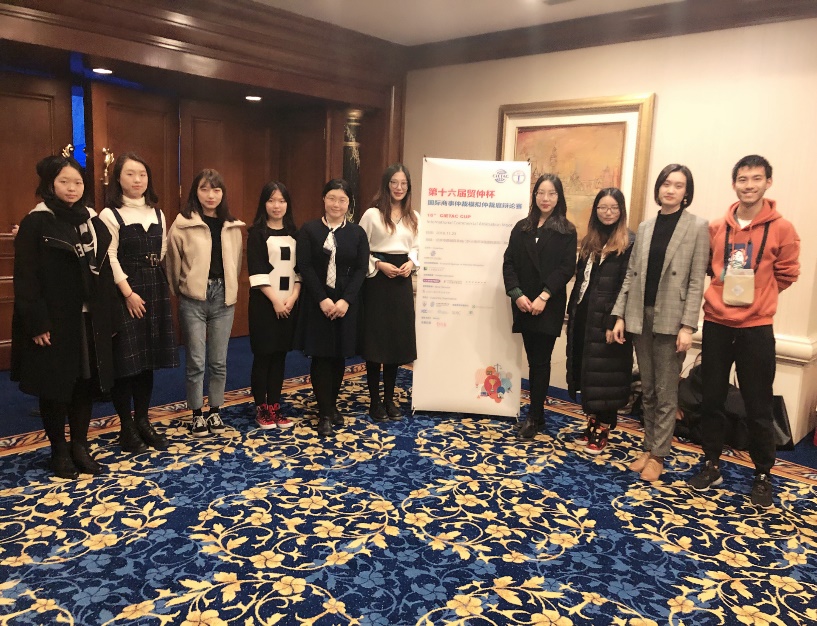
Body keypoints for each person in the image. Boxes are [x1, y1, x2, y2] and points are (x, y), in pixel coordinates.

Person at [687, 155, 800, 509]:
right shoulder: (716, 227)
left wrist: (759, 297)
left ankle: (763, 473)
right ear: (734, 183)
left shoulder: (782, 228)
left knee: (758, 404)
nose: (749, 185)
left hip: (756, 329)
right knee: (711, 399)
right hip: (717, 324)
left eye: (756, 178)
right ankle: (711, 463)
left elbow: (787, 274)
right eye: (742, 179)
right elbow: (709, 268)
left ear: (768, 182)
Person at [11, 155, 118, 478]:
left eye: (78, 182)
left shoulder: (93, 221)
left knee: (85, 384)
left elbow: (105, 271)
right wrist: (37, 322)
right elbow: (26, 278)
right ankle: (59, 451)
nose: (72, 188)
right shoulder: (36, 222)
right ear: (50, 185)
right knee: (56, 387)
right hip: (54, 321)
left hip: (89, 318)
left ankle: (80, 447)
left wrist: (109, 316)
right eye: (64, 182)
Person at [611, 164, 709, 482]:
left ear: (686, 192)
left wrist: (688, 326)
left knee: (666, 391)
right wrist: (620, 314)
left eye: (678, 185)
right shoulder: (646, 226)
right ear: (658, 188)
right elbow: (631, 275)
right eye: (666, 184)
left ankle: (659, 455)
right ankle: (648, 446)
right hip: (641, 315)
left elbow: (695, 281)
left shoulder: (697, 227)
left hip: (672, 319)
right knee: (649, 389)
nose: (671, 190)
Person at [99, 153, 179, 454]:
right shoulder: (109, 214)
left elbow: (162, 250)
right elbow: (109, 257)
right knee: (127, 362)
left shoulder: (157, 213)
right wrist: (128, 292)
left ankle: (143, 420)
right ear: (118, 178)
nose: (137, 180)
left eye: (142, 174)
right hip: (125, 291)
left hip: (154, 287)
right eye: (130, 174)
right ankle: (126, 427)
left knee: (147, 361)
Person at [167, 169, 244, 438]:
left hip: (223, 297)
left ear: (223, 193)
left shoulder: (231, 226)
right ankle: (197, 413)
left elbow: (236, 263)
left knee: (219, 361)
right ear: (195, 192)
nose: (211, 195)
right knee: (196, 361)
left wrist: (229, 288)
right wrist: (182, 289)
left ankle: (215, 410)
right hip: (193, 299)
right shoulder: (183, 224)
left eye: (216, 189)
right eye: (204, 189)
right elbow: (173, 263)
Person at [503, 173, 577, 440]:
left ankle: (534, 416)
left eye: (551, 193)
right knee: (533, 358)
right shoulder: (522, 227)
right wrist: (517, 294)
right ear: (534, 196)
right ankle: (538, 414)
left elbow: (566, 268)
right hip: (524, 303)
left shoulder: (566, 230)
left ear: (559, 197)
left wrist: (544, 296)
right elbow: (509, 263)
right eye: (541, 193)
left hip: (548, 304)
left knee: (540, 361)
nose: (546, 198)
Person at [295, 179, 369, 437]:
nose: (336, 204)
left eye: (342, 200)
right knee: (321, 356)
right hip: (318, 299)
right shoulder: (309, 229)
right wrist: (322, 299)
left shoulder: (357, 233)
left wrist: (346, 300)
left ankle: (331, 404)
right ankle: (324, 412)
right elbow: (304, 266)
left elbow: (361, 268)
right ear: (323, 199)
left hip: (345, 301)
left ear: (349, 203)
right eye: (332, 198)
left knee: (338, 355)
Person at [565, 188, 635, 454]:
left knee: (607, 375)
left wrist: (616, 318)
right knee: (589, 373)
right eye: (603, 207)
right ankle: (592, 424)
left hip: (610, 319)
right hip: (586, 314)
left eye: (614, 208)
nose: (608, 213)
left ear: (621, 211)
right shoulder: (590, 240)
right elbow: (582, 280)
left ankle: (603, 428)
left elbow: (627, 285)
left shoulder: (629, 242)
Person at [358, 164, 419, 422]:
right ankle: (374, 401)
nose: (399, 187)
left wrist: (411, 263)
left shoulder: (414, 217)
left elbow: (419, 248)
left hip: (401, 283)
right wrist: (378, 265)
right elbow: (360, 249)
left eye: (403, 183)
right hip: (377, 282)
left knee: (394, 342)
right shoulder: (372, 214)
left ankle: (389, 400)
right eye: (394, 182)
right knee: (376, 342)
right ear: (386, 184)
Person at [247, 181, 300, 429]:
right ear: (264, 204)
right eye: (271, 200)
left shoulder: (295, 234)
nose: (276, 206)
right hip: (265, 304)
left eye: (281, 200)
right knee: (263, 356)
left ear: (287, 204)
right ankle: (261, 408)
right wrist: (276, 301)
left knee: (280, 356)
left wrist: (293, 297)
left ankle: (275, 407)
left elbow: (299, 271)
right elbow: (257, 272)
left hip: (288, 304)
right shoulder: (257, 234)